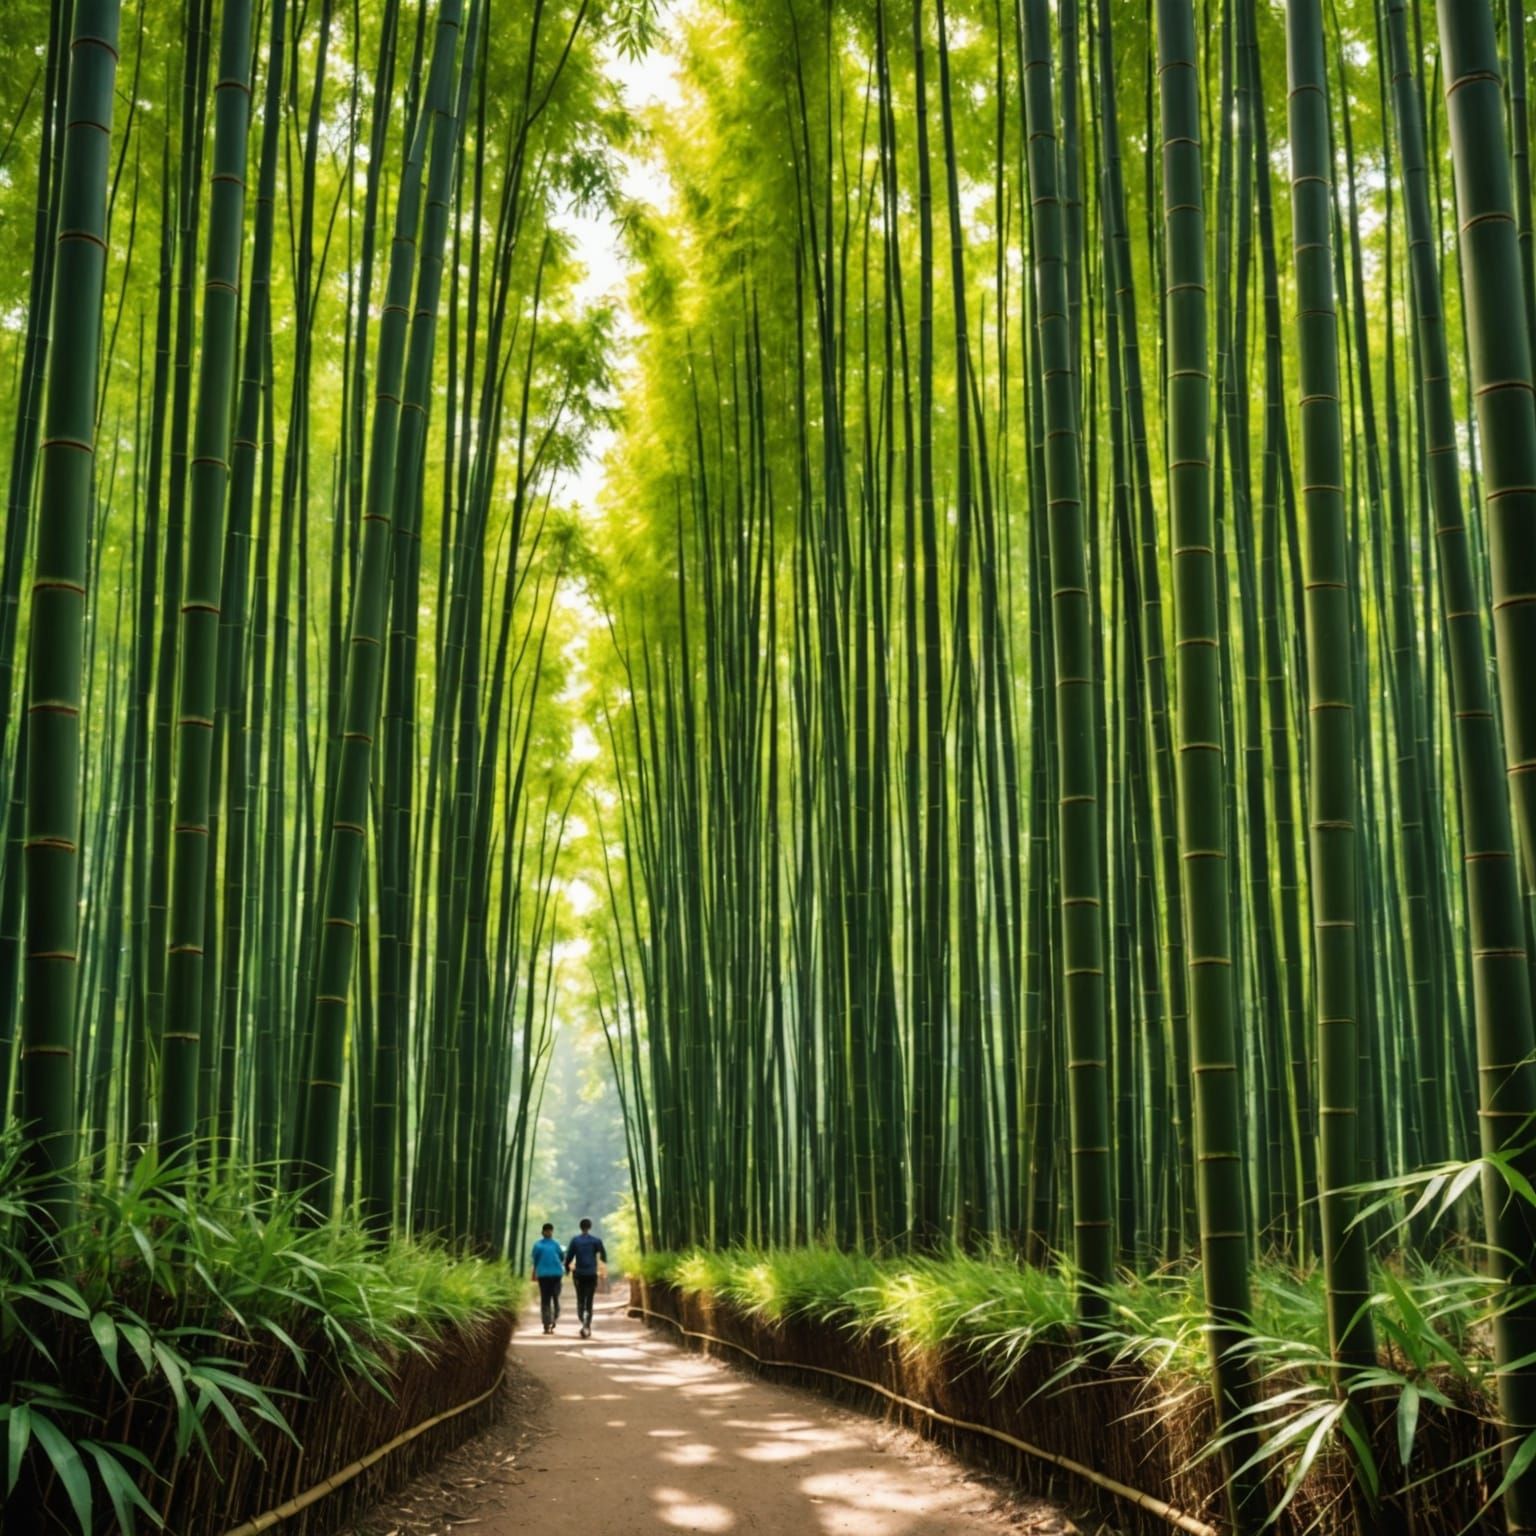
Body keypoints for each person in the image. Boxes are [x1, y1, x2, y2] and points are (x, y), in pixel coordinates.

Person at [563, 1218, 607, 1339]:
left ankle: (584, 1323)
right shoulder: (596, 1241)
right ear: (590, 1226)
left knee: (580, 1300)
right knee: (589, 1301)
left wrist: (567, 1270)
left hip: (579, 1275)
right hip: (591, 1275)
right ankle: (587, 1325)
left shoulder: (575, 1241)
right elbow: (604, 1256)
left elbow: (569, 1258)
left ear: (580, 1227)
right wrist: (602, 1271)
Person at [531, 1222, 566, 1334]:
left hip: (544, 1275)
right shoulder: (556, 1244)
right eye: (548, 1230)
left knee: (546, 1300)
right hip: (555, 1274)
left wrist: (535, 1272)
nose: (549, 1232)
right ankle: (552, 1320)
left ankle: (547, 1323)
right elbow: (561, 1257)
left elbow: (535, 1260)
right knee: (554, 1298)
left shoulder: (538, 1245)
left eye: (549, 1230)